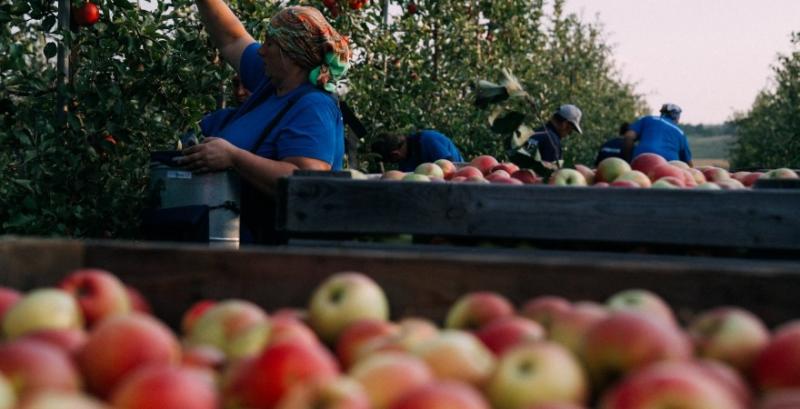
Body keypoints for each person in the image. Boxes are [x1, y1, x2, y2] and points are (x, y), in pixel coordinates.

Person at [177, 3, 351, 243]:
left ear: (291, 55)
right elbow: (231, 37)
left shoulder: (313, 107)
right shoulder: (270, 84)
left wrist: (234, 157)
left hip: (277, 257)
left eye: (269, 43)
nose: (261, 51)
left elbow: (305, 181)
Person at [622, 103, 692, 166]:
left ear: (662, 113)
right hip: (668, 167)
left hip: (641, 160)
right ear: (676, 116)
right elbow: (688, 162)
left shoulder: (648, 119)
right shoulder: (680, 133)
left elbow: (629, 137)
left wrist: (627, 161)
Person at [371, 129, 464, 172]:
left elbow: (450, 167)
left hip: (457, 177)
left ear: (395, 154)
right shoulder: (405, 162)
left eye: (391, 161)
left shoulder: (427, 140)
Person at [523, 104, 583, 168]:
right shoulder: (552, 141)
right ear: (564, 124)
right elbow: (551, 173)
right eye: (570, 130)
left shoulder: (536, 132)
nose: (569, 134)